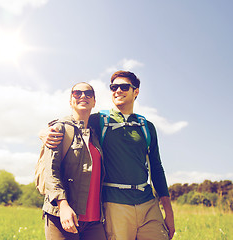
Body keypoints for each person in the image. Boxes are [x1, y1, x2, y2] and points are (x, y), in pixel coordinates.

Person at [42, 71, 175, 240]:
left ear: (136, 92)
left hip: (148, 203)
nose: (118, 90)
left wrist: (168, 212)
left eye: (124, 87)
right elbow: (72, 121)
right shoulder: (99, 121)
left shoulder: (146, 126)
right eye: (114, 87)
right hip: (115, 203)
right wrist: (44, 132)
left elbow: (157, 168)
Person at [42, 82, 107, 240]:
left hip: (94, 220)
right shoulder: (59, 129)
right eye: (77, 93)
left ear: (94, 102)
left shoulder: (96, 133)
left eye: (88, 93)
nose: (83, 96)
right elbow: (50, 172)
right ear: (71, 101)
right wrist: (62, 205)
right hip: (62, 216)